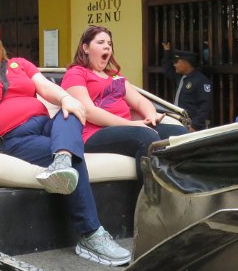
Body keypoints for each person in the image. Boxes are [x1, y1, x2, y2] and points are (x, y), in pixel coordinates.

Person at [0, 19, 131, 266]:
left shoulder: (20, 65)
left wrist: (67, 98)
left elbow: (46, 88)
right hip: (14, 136)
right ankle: (90, 234)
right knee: (74, 156)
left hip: (47, 124)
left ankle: (62, 158)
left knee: (70, 113)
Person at [63, 27, 189, 183]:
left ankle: (181, 192)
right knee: (146, 136)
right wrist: (132, 125)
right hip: (93, 133)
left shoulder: (114, 75)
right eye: (100, 42)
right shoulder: (76, 73)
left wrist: (150, 114)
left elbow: (139, 100)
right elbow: (88, 111)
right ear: (86, 48)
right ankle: (150, 200)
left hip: (127, 127)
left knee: (180, 133)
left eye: (109, 43)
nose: (107, 46)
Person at [160, 42, 212, 130]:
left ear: (186, 63)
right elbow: (167, 69)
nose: (174, 65)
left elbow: (205, 106)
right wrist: (167, 52)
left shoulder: (201, 81)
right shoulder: (180, 77)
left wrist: (195, 126)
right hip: (179, 122)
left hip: (192, 126)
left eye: (176, 62)